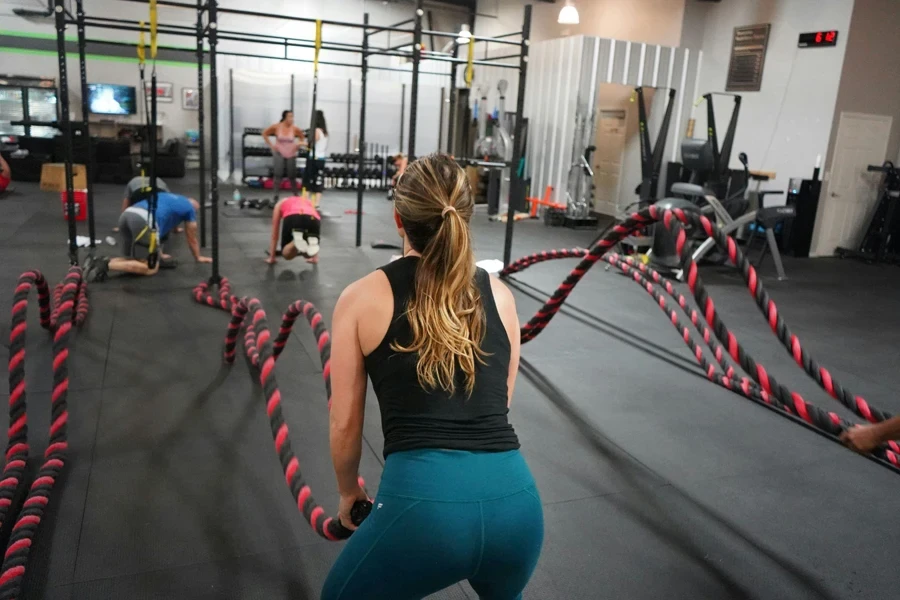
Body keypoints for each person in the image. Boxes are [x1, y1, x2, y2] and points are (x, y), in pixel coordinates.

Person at [322, 153, 543, 600]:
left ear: (399, 219)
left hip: (425, 513)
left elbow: (345, 423)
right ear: (466, 215)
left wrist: (349, 492)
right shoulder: (500, 296)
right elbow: (499, 405)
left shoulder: (360, 298)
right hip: (518, 510)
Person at [85, 191, 211, 281]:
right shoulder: (189, 209)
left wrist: (159, 254)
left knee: (134, 259)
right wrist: (198, 256)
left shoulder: (169, 198)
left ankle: (97, 261)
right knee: (150, 268)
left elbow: (160, 228)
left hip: (127, 215)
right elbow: (191, 237)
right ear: (194, 208)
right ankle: (105, 264)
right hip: (143, 220)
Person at [262, 110, 306, 202]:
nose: (292, 119)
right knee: (278, 174)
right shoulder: (277, 126)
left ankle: (295, 195)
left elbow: (302, 137)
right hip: (279, 152)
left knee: (292, 175)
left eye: (292, 117)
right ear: (285, 118)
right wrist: (271, 145)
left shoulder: (295, 128)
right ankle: (275, 195)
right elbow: (265, 133)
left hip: (291, 153)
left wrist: (298, 146)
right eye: (290, 116)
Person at [265, 194, 321, 265]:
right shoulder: (308, 201)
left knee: (287, 255)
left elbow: (275, 234)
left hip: (293, 216)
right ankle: (304, 239)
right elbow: (316, 215)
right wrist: (315, 258)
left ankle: (295, 242)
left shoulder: (280, 203)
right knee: (308, 254)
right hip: (313, 218)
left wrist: (272, 257)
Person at [305, 110, 329, 208]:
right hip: (321, 159)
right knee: (318, 180)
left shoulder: (317, 131)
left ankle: (306, 202)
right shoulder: (325, 132)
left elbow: (310, 144)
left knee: (309, 180)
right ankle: (316, 203)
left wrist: (300, 143)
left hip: (314, 159)